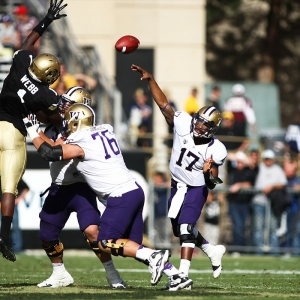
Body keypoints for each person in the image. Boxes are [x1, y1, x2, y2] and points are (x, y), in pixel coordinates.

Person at [24, 103, 193, 291]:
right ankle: (177, 276)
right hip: (135, 191)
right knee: (132, 247)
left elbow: (50, 153)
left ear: (74, 122)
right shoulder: (105, 130)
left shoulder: (80, 142)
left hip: (120, 196)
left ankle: (155, 257)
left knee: (105, 242)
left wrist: (32, 130)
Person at [131, 64, 227, 288]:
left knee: (185, 228)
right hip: (177, 184)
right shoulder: (183, 122)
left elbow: (213, 182)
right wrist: (151, 80)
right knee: (180, 229)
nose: (199, 125)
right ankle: (212, 250)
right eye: (199, 120)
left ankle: (182, 276)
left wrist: (207, 173)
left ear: (212, 129)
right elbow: (163, 105)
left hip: (196, 187)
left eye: (205, 124)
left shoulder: (217, 149)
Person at [35, 86, 126, 289]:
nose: (62, 106)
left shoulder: (80, 130)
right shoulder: (58, 122)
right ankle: (60, 274)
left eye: (68, 104)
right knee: (46, 236)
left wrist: (35, 132)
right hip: (59, 187)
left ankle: (112, 274)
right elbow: (37, 110)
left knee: (93, 231)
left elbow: (52, 150)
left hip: (81, 187)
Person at [0, 0, 67, 262]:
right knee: (8, 189)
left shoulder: (20, 62)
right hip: (14, 133)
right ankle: (5, 237)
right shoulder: (45, 93)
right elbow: (54, 116)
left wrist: (47, 20)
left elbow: (27, 42)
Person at [252, 149, 288, 255]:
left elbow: (283, 183)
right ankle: (258, 252)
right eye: (266, 159)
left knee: (273, 228)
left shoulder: (277, 170)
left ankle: (274, 252)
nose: (268, 161)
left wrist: (272, 187)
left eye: (270, 159)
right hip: (259, 201)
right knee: (258, 228)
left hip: (272, 203)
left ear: (273, 159)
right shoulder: (259, 168)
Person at [226, 151, 256, 253]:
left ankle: (241, 248)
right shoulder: (232, 170)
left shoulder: (248, 172)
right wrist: (239, 156)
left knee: (243, 226)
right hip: (234, 203)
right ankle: (237, 248)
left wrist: (239, 185)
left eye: (241, 162)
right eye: (238, 162)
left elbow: (250, 184)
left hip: (245, 203)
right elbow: (228, 156)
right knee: (238, 225)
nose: (239, 164)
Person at [282, 154, 300, 255]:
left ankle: (295, 251)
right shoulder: (283, 179)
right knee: (288, 230)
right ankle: (287, 250)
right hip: (285, 208)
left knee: (296, 230)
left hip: (296, 209)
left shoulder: (297, 179)